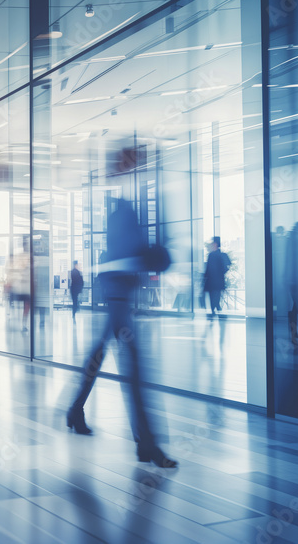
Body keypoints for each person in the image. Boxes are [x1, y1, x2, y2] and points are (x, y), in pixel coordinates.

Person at [66, 191, 177, 468]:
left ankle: (76, 410)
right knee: (134, 369)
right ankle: (147, 443)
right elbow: (124, 257)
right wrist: (149, 257)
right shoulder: (124, 216)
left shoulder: (123, 214)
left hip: (119, 296)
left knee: (99, 356)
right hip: (118, 298)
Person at [203, 236, 231, 322]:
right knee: (216, 297)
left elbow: (208, 270)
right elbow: (227, 266)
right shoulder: (222, 255)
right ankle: (217, 311)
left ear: (215, 244)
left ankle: (214, 312)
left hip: (212, 282)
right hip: (218, 282)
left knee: (213, 298)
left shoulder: (212, 255)